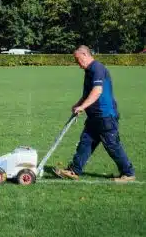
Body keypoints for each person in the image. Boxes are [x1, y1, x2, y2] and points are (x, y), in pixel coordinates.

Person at [54, 45, 136, 182]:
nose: (78, 64)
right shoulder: (88, 71)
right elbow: (87, 94)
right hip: (94, 116)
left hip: (105, 116)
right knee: (85, 142)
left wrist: (83, 106)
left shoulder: (97, 68)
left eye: (78, 60)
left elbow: (97, 91)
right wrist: (79, 104)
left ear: (85, 55)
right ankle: (74, 170)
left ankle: (128, 173)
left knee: (112, 145)